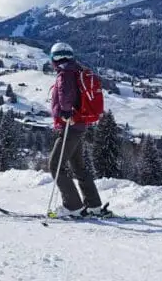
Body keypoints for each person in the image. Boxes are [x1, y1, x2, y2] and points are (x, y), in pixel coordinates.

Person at [48, 42, 107, 218]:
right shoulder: (76, 70)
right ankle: (93, 205)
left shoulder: (65, 73)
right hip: (79, 125)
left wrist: (65, 112)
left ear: (53, 59)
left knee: (55, 165)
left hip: (70, 126)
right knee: (78, 166)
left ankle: (73, 206)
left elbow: (66, 95)